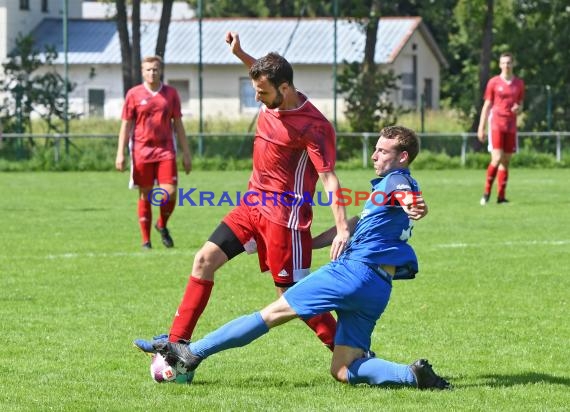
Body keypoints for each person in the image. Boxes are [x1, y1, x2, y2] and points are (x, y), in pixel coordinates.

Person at [153, 126, 450, 390]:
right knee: (343, 369)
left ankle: (192, 352)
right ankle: (413, 375)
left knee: (272, 313)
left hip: (351, 273)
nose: (374, 156)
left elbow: (407, 196)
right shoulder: (383, 193)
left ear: (402, 157)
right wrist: (304, 243)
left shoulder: (398, 179)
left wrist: (415, 205)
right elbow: (350, 225)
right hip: (377, 288)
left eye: (383, 151)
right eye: (375, 148)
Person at [134, 31, 351, 352]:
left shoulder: (313, 126)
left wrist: (343, 228)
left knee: (293, 297)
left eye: (262, 92)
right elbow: (262, 73)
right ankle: (176, 342)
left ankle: (352, 353)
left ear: (285, 89)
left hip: (283, 219)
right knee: (204, 259)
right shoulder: (273, 88)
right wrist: (240, 54)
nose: (257, 98)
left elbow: (329, 178)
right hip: (251, 207)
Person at [116, 55, 192, 249]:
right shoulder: (133, 94)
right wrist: (120, 153)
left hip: (166, 149)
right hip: (142, 150)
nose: (152, 73)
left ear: (161, 71)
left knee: (170, 192)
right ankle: (146, 241)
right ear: (143, 71)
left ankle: (162, 224)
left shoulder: (171, 94)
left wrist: (187, 153)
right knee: (146, 194)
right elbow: (126, 125)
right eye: (148, 69)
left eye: (156, 69)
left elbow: (179, 125)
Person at [477, 52, 525, 205]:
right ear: (499, 65)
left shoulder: (519, 83)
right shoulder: (493, 82)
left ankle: (501, 197)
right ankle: (486, 194)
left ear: (513, 64)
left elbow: (521, 104)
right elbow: (487, 105)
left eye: (509, 63)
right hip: (496, 123)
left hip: (511, 126)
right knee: (496, 159)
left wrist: (519, 108)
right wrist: (481, 127)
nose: (506, 65)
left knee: (506, 161)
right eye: (503, 63)